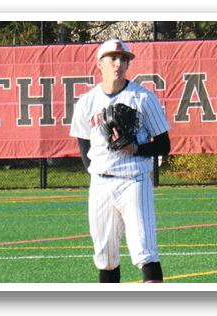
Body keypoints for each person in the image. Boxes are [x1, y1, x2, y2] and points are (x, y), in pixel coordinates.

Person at [70, 39, 171, 283]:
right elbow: (84, 144)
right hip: (101, 184)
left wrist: (134, 147)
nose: (119, 63)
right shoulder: (87, 102)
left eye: (124, 59)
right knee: (105, 256)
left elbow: (164, 145)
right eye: (113, 58)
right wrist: (96, 173)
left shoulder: (143, 98)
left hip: (134, 180)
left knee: (145, 251)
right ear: (100, 64)